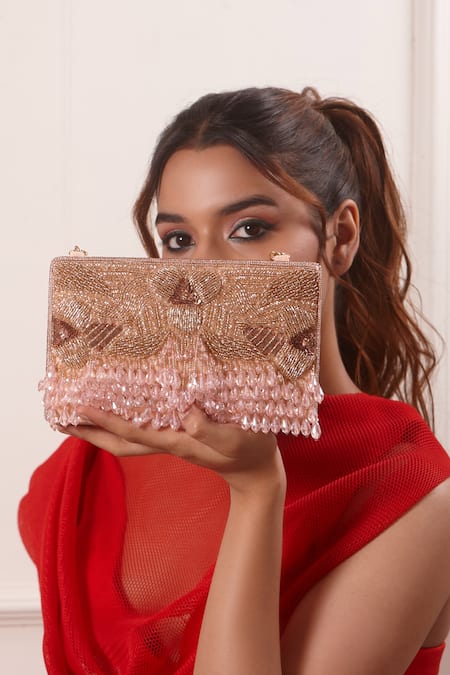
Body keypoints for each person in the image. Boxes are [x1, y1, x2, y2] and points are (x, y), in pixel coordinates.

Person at [19, 87, 450, 675]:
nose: (203, 274)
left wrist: (256, 491)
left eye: (249, 229)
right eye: (179, 240)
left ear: (341, 237)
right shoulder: (99, 459)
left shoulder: (411, 491)